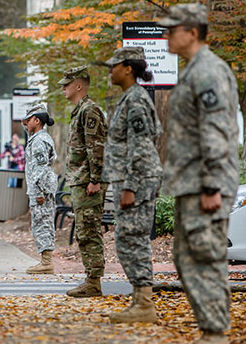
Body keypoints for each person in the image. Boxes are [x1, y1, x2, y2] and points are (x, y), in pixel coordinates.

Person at [159, 4, 239, 344]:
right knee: (187, 256)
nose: (166, 35)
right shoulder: (194, 71)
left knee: (205, 256)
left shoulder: (208, 71)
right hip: (193, 183)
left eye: (172, 29)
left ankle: (215, 336)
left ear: (192, 32)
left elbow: (216, 130)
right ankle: (209, 332)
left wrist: (210, 186)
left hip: (206, 185)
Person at [102, 47, 163, 324]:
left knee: (132, 239)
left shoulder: (136, 100)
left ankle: (144, 303)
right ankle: (140, 299)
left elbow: (141, 146)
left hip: (136, 181)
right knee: (128, 238)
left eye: (114, 66)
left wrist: (130, 186)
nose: (110, 71)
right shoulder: (130, 98)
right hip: (132, 179)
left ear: (128, 68)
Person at [60, 65, 109, 298]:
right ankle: (90, 278)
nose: (62, 88)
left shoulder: (89, 111)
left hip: (88, 182)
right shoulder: (80, 111)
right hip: (81, 180)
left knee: (88, 231)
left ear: (78, 85)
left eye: (66, 84)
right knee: (83, 230)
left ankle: (93, 281)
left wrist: (95, 179)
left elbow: (96, 147)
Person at [22, 104, 58, 275]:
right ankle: (45, 260)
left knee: (42, 223)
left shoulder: (39, 142)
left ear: (37, 120)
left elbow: (40, 169)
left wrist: (39, 192)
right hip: (40, 189)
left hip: (41, 190)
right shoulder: (37, 138)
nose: (26, 124)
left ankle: (46, 262)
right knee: (40, 222)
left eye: (28, 120)